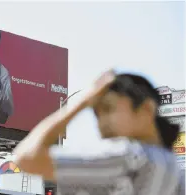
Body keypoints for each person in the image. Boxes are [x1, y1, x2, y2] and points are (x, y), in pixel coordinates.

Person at [14, 70, 184, 195]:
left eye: (109, 109)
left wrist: (81, 103)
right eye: (96, 114)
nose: (101, 122)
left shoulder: (126, 157)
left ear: (146, 109)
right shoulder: (172, 167)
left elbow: (26, 158)